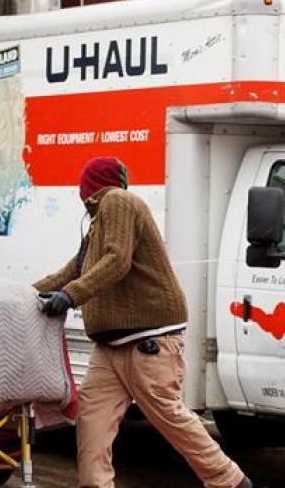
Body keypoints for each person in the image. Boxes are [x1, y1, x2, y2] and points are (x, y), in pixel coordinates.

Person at [35, 156, 262, 488]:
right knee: (92, 426)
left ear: (90, 189)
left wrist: (71, 296)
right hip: (109, 347)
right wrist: (24, 294)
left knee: (170, 418)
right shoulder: (98, 224)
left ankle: (232, 483)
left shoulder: (118, 201)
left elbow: (117, 260)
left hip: (148, 341)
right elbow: (72, 271)